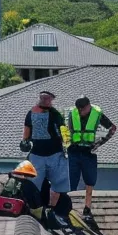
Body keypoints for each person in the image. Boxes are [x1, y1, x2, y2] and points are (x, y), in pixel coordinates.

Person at [19, 91, 70, 225]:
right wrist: (24, 141)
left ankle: (52, 210)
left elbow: (63, 131)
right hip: (37, 154)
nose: (45, 100)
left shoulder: (55, 114)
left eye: (48, 98)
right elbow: (27, 129)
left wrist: (66, 145)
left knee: (58, 184)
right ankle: (34, 210)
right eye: (43, 98)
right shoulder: (31, 113)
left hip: (55, 154)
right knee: (33, 184)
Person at [65, 96, 116, 215]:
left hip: (89, 151)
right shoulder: (72, 113)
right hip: (74, 150)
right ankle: (69, 208)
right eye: (79, 109)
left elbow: (112, 128)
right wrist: (66, 144)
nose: (80, 111)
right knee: (71, 180)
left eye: (83, 109)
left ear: (88, 106)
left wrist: (99, 143)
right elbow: (65, 129)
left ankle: (87, 208)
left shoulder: (97, 113)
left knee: (90, 180)